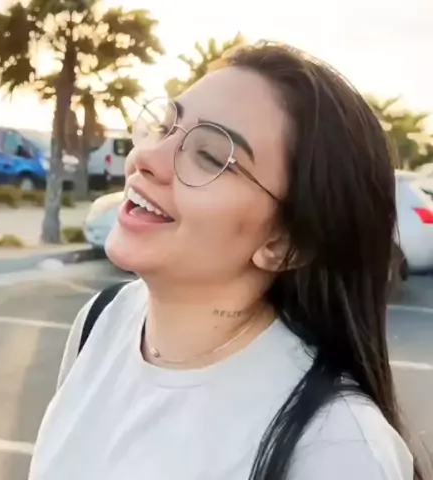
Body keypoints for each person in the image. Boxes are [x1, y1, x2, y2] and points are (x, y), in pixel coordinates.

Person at [28, 41, 427, 480]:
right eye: (165, 127)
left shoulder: (338, 448)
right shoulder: (101, 320)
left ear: (284, 244)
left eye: (210, 156)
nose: (147, 159)